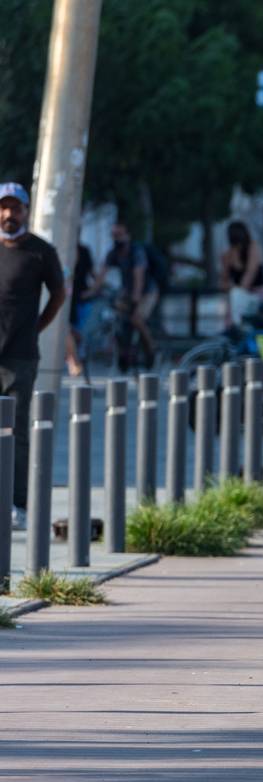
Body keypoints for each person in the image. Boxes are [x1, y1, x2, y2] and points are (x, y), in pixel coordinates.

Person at [0, 182, 66, 532]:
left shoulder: (40, 251)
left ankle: (17, 503)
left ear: (26, 210)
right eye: (4, 207)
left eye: (16, 208)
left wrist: (36, 328)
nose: (9, 214)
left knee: (16, 430)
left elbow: (59, 294)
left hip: (21, 355)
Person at [93, 220, 160, 368]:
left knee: (136, 319)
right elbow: (102, 274)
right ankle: (125, 352)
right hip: (128, 292)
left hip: (147, 292)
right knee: (118, 318)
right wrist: (91, 291)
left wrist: (136, 298)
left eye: (119, 234)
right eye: (113, 235)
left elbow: (139, 276)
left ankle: (151, 349)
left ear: (127, 235)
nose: (116, 238)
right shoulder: (113, 253)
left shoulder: (136, 252)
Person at [220, 221, 263, 328]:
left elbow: (250, 273)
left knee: (236, 295)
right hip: (239, 296)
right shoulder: (228, 255)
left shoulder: (253, 248)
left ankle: (236, 327)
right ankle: (234, 328)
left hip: (258, 293)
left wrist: (238, 289)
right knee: (235, 296)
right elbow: (223, 281)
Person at [64, 240, 93, 379]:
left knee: (67, 329)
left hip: (74, 298)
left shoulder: (80, 251)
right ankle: (73, 359)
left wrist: (93, 290)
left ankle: (74, 360)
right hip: (65, 296)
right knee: (67, 329)